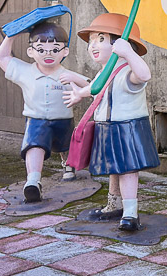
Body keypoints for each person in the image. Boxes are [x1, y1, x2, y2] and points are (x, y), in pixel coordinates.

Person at [63, 14, 160, 232]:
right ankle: (114, 204)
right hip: (107, 128)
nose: (92, 47)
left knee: (127, 171)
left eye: (100, 39)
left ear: (120, 43)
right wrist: (79, 93)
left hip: (126, 128)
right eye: (91, 41)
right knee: (114, 169)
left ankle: (130, 213)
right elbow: (94, 88)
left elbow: (144, 75)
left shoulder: (127, 71)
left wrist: (128, 54)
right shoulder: (104, 72)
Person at [0, 20, 88, 202]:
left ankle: (69, 166)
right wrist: (10, 36)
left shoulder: (66, 74)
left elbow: (95, 87)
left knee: (66, 145)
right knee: (34, 146)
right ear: (31, 51)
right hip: (36, 120)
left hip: (63, 119)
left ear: (64, 52)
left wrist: (75, 80)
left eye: (55, 49)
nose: (48, 54)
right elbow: (2, 58)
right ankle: (33, 182)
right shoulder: (24, 71)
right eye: (41, 49)